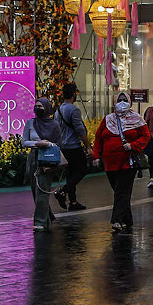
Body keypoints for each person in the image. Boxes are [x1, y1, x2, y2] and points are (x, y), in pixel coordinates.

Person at [93, 93, 150, 234]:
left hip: (127, 163)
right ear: (115, 102)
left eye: (125, 100)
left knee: (121, 192)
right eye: (119, 100)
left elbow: (146, 136)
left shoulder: (137, 119)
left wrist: (133, 145)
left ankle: (117, 221)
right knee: (120, 192)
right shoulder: (108, 119)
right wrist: (96, 156)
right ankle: (127, 220)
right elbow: (98, 138)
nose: (122, 103)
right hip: (109, 164)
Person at [22, 99, 64, 232]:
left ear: (47, 108)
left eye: (40, 106)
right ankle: (48, 216)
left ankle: (40, 222)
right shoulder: (31, 123)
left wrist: (47, 144)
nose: (37, 108)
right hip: (33, 158)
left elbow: (59, 143)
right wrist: (37, 144)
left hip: (47, 158)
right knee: (35, 190)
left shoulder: (54, 125)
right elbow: (24, 141)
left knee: (42, 190)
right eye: (35, 106)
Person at [55, 83, 90, 212]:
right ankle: (63, 192)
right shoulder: (73, 110)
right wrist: (88, 146)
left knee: (71, 174)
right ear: (73, 94)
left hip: (63, 147)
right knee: (81, 171)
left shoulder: (58, 110)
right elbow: (79, 130)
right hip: (74, 147)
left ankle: (73, 201)